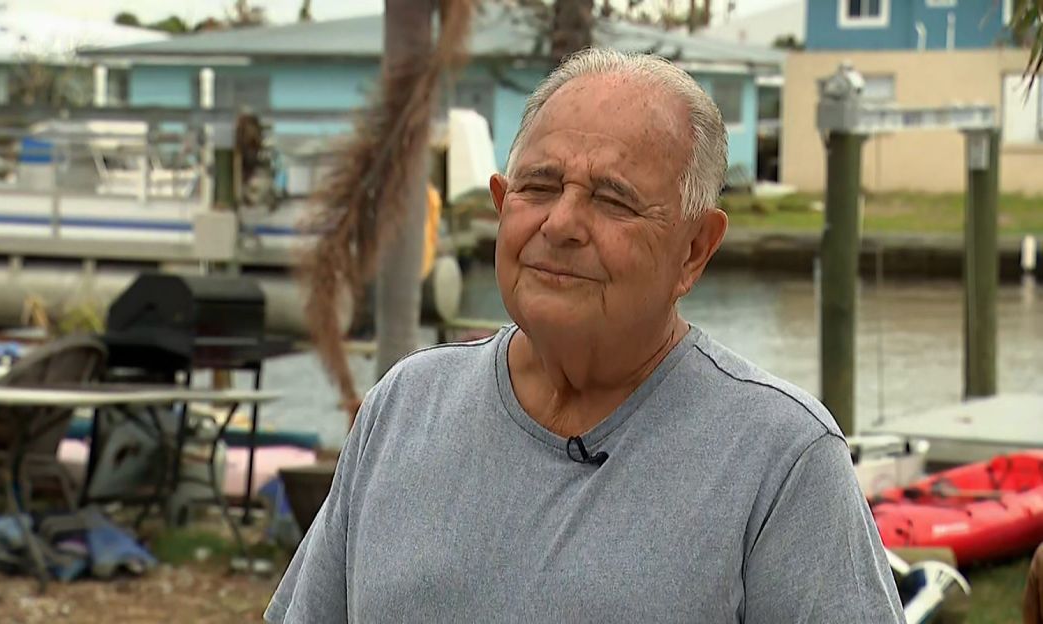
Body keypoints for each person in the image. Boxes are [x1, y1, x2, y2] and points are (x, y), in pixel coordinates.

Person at [267, 48, 904, 623]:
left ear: (695, 250)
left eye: (613, 200)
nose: (563, 223)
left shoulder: (780, 459)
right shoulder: (404, 408)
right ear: (500, 202)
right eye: (539, 187)